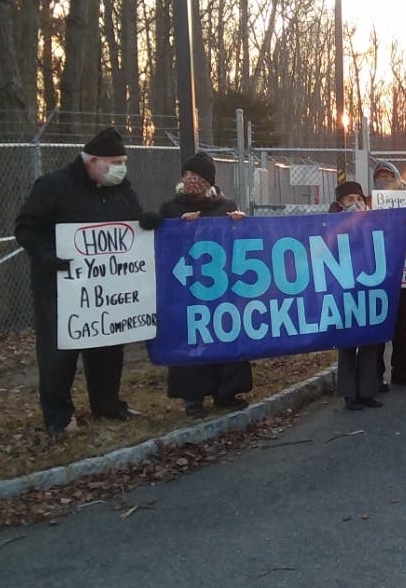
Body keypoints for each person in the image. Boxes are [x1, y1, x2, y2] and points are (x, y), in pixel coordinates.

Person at [14, 127, 155, 434]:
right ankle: (60, 418)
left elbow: (135, 224)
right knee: (58, 354)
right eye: (113, 162)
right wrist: (45, 254)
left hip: (108, 289)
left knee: (108, 347)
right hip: (59, 286)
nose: (120, 168)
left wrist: (148, 223)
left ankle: (107, 404)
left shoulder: (122, 190)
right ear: (90, 161)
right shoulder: (54, 186)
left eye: (123, 161)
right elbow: (25, 226)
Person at [158, 152, 252, 417]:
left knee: (226, 332)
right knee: (191, 338)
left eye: (197, 177)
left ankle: (227, 393)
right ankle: (193, 398)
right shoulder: (171, 208)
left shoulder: (225, 205)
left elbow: (239, 242)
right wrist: (179, 227)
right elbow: (161, 240)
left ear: (209, 181)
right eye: (187, 176)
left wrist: (239, 224)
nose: (191, 181)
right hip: (186, 288)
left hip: (221, 286)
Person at [331, 181, 385, 411]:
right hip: (344, 289)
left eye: (359, 199)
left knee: (370, 341)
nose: (355, 203)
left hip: (369, 287)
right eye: (349, 200)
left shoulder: (374, 222)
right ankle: (349, 394)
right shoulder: (330, 223)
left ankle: (367, 391)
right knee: (347, 343)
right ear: (340, 204)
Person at [372, 160, 406, 390]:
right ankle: (376, 373)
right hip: (376, 277)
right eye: (380, 178)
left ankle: (402, 369)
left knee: (402, 324)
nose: (384, 181)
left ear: (397, 180)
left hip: (403, 276)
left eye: (389, 177)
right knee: (378, 325)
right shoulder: (368, 207)